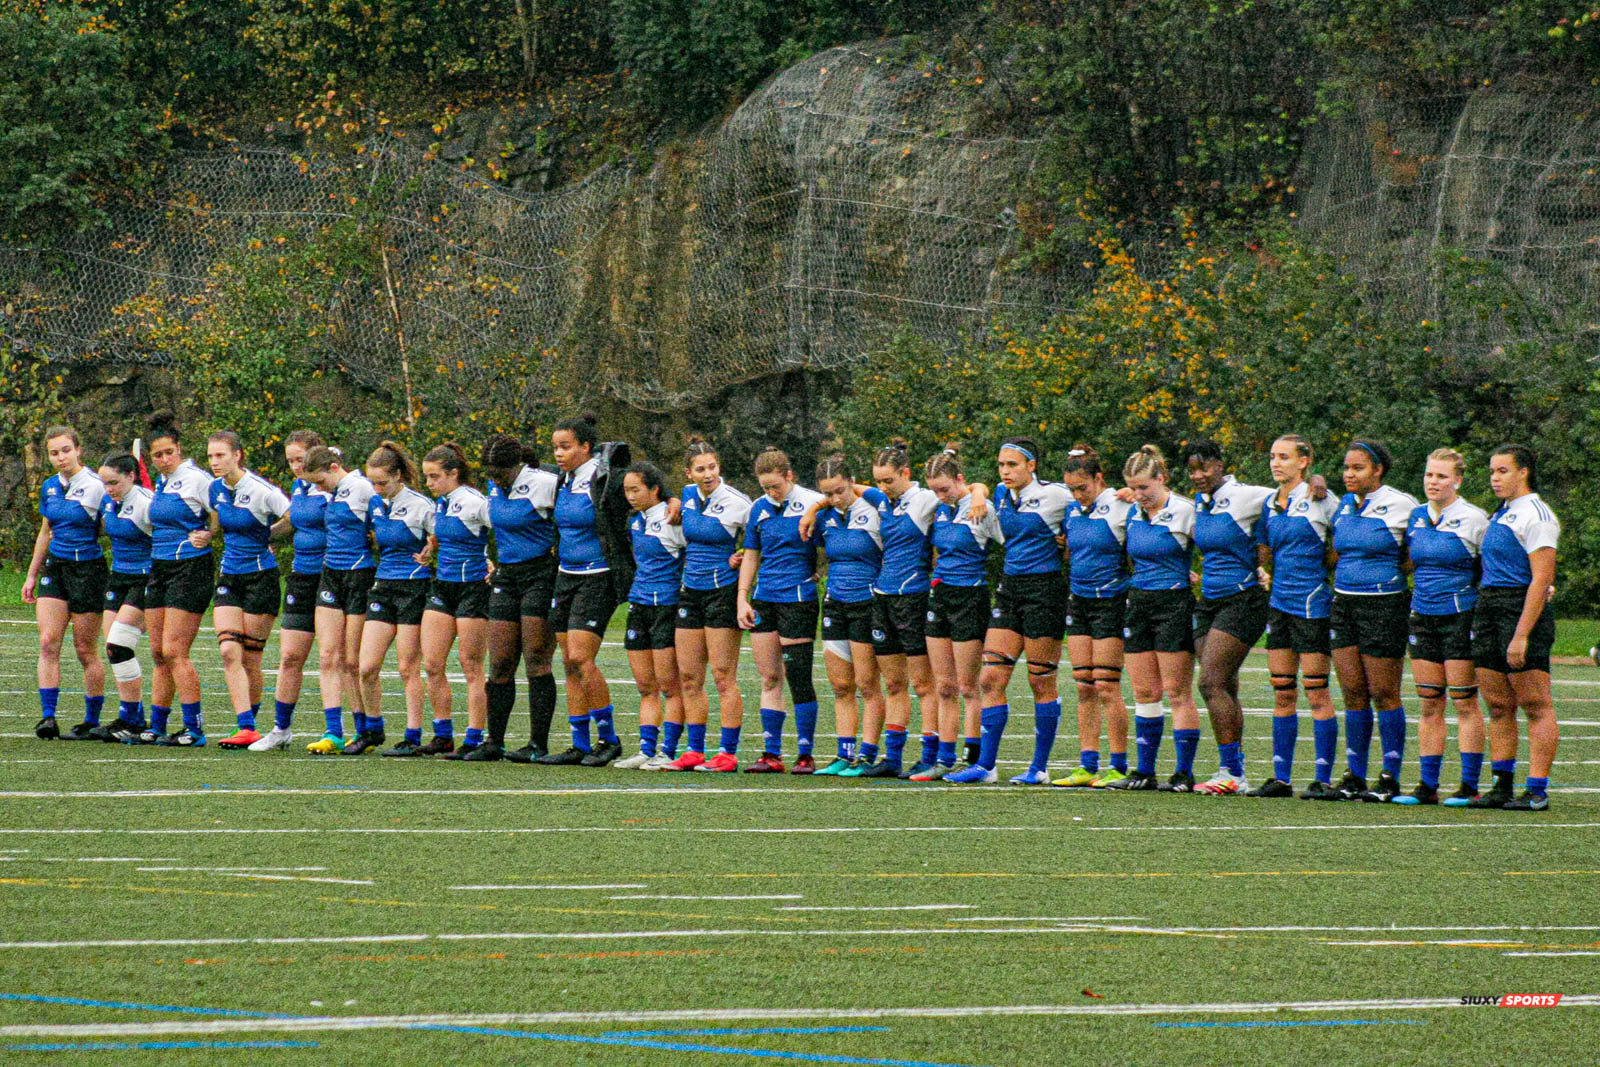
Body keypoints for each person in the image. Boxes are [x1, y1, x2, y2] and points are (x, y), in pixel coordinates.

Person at [947, 436, 1069, 785]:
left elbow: (1092, 503)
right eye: (1001, 464)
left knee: (1040, 680)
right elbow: (975, 488)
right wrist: (980, 492)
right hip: (1010, 589)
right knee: (990, 678)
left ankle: (1039, 768)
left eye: (1012, 464)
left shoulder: (1056, 495)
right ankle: (986, 766)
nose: (1005, 470)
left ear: (1032, 466)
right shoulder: (1000, 494)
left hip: (1045, 591)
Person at [1466, 445, 1560, 811]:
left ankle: (1536, 790)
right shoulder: (1501, 513)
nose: (1494, 478)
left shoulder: (1537, 514)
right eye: (1492, 471)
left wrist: (1521, 634)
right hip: (1489, 607)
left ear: (1524, 472)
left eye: (1503, 471)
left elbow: (1541, 579)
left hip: (1519, 608)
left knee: (1535, 704)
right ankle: (1501, 785)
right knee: (1498, 704)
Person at [1184, 439, 1275, 795]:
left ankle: (1232, 772)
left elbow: (1285, 496)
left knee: (1210, 682)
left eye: (1204, 468)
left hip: (1243, 599)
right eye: (1192, 470)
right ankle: (1235, 770)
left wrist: (1316, 485)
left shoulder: (1246, 495)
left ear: (1220, 466)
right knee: (1225, 684)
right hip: (1208, 600)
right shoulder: (1199, 502)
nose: (1198, 475)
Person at [1329, 439, 1418, 802]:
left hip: (1384, 605)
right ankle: (1354, 775)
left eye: (1358, 468)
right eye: (1346, 467)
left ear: (1377, 470)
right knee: (1352, 691)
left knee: (1383, 692)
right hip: (1343, 602)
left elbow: (1414, 553)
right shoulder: (1344, 504)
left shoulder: (1402, 504)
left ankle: (1389, 776)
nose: (1349, 474)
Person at [1398, 447, 1489, 805]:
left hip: (1460, 616)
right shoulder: (1416, 516)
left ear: (1458, 480)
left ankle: (1469, 785)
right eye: (1429, 475)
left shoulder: (1474, 518)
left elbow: (1490, 567)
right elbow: (1409, 562)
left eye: (1441, 476)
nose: (1433, 482)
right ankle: (1427, 786)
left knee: (1464, 701)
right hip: (1422, 616)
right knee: (1429, 701)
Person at [1252, 435, 1341, 799]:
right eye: (1273, 456)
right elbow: (1264, 549)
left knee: (1317, 691)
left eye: (1284, 457)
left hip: (1312, 605)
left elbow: (1341, 544)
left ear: (1303, 462)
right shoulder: (1269, 503)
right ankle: (1281, 778)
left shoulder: (1323, 499)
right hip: (1280, 604)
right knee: (1282, 691)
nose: (1276, 463)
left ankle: (1322, 779)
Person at [538, 414, 628, 767]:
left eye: (566, 447)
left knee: (580, 657)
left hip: (598, 576)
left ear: (586, 447)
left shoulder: (606, 478)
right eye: (555, 447)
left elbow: (645, 485)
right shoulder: (562, 479)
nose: (558, 454)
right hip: (566, 575)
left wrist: (669, 498)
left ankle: (609, 739)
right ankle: (579, 744)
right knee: (567, 661)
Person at [1108, 445, 1198, 792]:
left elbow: (1213, 547)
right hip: (1138, 602)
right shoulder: (1131, 509)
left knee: (1176, 690)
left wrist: (1197, 575)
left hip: (1173, 603)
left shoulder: (1184, 510)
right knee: (1144, 691)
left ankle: (1183, 773)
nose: (1139, 494)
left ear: (1161, 479)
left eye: (1145, 487)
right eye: (1133, 487)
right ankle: (1144, 771)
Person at [731, 447, 825, 773]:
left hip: (798, 599)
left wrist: (820, 569)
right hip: (765, 598)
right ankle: (771, 754)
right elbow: (752, 554)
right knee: (770, 677)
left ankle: (805, 754)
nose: (771, 492)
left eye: (776, 486)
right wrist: (742, 597)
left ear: (790, 476)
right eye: (765, 487)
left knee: (798, 677)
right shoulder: (758, 509)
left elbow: (832, 540)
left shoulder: (814, 503)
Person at [199, 431, 290, 750]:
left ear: (237, 455)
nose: (214, 462)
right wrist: (207, 535)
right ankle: (246, 727)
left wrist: (269, 536)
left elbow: (292, 517)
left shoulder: (262, 490)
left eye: (220, 455)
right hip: (229, 576)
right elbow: (216, 522)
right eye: (210, 456)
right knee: (228, 650)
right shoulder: (215, 489)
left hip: (261, 579)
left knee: (251, 658)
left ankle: (251, 725)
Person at [666, 437, 751, 771]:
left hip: (722, 592)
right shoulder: (687, 495)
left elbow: (761, 537)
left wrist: (742, 555)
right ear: (689, 473)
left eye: (712, 467)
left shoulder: (738, 502)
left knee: (723, 676)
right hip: (690, 591)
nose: (708, 474)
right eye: (700, 469)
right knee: (689, 677)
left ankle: (727, 753)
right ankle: (694, 750)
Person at [918, 445, 1001, 780]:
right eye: (935, 490)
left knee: (969, 686)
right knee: (944, 686)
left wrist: (979, 492)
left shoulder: (982, 508)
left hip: (970, 597)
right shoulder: (939, 508)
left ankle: (976, 759)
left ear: (960, 479)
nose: (940, 496)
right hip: (940, 596)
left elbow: (1011, 540)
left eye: (945, 489)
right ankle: (944, 758)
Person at [867, 440, 948, 779]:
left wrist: (977, 494)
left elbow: (965, 489)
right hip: (882, 598)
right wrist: (815, 509)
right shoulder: (882, 500)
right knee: (893, 683)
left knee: (923, 684)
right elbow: (848, 489)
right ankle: (893, 758)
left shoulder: (925, 499)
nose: (882, 487)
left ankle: (929, 755)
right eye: (878, 481)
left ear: (906, 473)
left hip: (912, 598)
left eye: (888, 480)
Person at [1050, 445, 1131, 788]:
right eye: (1071, 489)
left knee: (1107, 686)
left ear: (1099, 478)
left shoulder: (1121, 504)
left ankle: (1119, 766)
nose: (1077, 495)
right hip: (1079, 600)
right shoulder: (1072, 510)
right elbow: (1073, 553)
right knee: (1083, 685)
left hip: (1111, 601)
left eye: (1082, 488)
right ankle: (1087, 765)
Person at [23, 425, 108, 740]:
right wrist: (32, 574)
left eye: (66, 450)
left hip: (88, 570)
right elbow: (45, 532)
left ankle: (91, 720)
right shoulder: (50, 486)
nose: (60, 457)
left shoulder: (97, 486)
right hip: (56, 568)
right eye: (54, 453)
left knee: (85, 649)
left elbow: (111, 527)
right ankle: (48, 717)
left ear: (78, 450)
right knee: (48, 642)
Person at [806, 454, 888, 776]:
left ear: (852, 482)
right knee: (841, 685)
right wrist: (815, 508)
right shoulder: (824, 516)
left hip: (867, 603)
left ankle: (867, 755)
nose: (835, 498)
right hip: (834, 603)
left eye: (840, 490)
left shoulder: (874, 508)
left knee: (868, 684)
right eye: (828, 493)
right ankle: (844, 753)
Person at [482, 434, 560, 762]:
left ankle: (537, 744)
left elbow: (577, 512)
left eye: (501, 473)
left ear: (516, 465)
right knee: (500, 661)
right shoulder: (493, 486)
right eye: (491, 474)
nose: (496, 479)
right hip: (507, 575)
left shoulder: (545, 483)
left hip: (540, 574)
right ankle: (493, 742)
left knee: (536, 658)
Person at [352, 443, 433, 758]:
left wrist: (431, 548)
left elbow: (444, 534)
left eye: (382, 482)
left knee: (407, 667)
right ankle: (373, 729)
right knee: (366, 667)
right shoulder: (375, 503)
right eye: (372, 482)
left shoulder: (421, 504)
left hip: (413, 588)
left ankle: (412, 736)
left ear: (398, 475)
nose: (376, 488)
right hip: (382, 586)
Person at [138, 412, 215, 746]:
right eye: (158, 455)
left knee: (174, 650)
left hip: (190, 568)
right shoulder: (162, 482)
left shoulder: (197, 479)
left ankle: (194, 728)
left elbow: (221, 510)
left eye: (169, 452)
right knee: (158, 652)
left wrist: (210, 533)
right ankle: (156, 725)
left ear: (179, 449)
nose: (165, 459)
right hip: (160, 567)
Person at [252, 430, 329, 751]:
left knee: (335, 658)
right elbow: (293, 522)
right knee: (290, 656)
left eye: (301, 460)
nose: (296, 467)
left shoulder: (337, 488)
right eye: (291, 461)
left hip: (332, 579)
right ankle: (281, 729)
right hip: (301, 577)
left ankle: (342, 731)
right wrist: (261, 536)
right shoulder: (300, 488)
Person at [418, 443, 493, 760]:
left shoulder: (475, 501)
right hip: (443, 587)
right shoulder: (442, 503)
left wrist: (493, 562)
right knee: (432, 664)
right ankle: (443, 735)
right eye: (426, 477)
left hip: (472, 588)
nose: (429, 483)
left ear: (453, 473)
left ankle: (474, 737)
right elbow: (444, 533)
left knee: (471, 665)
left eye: (434, 476)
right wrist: (430, 546)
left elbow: (504, 531)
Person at [300, 445, 376, 754]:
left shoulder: (362, 488)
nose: (318, 489)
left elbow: (382, 524)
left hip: (359, 576)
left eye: (320, 481)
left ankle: (363, 730)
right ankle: (333, 732)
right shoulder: (330, 493)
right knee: (328, 655)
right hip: (331, 574)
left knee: (351, 660)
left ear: (334, 468)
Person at [616, 462, 688, 769]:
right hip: (639, 604)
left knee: (670, 685)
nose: (630, 496)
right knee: (645, 685)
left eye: (636, 490)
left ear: (654, 490)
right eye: (627, 491)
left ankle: (668, 750)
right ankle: (646, 749)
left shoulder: (674, 517)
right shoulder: (635, 521)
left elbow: (696, 552)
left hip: (666, 606)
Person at [89, 453, 154, 742]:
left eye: (114, 482)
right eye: (104, 483)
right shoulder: (107, 502)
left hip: (146, 578)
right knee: (113, 650)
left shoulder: (147, 503)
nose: (108, 489)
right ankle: (133, 717)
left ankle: (132, 720)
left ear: (131, 476)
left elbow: (170, 537)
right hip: (118, 577)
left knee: (120, 644)